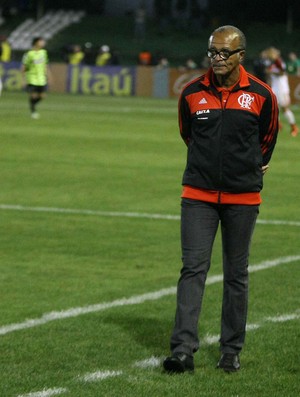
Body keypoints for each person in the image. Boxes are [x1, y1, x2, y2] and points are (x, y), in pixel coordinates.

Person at [163, 25, 278, 374]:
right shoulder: (192, 93)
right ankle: (183, 349)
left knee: (236, 274)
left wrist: (244, 171)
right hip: (197, 195)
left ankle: (230, 350)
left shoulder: (261, 94)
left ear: (241, 55)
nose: (217, 58)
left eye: (224, 53)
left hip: (242, 197)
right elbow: (189, 135)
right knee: (192, 269)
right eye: (213, 51)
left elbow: (267, 139)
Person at [266, 47, 298, 137]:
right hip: (275, 88)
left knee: (285, 108)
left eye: (271, 53)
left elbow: (282, 72)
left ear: (275, 54)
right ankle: (278, 126)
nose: (269, 55)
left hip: (282, 89)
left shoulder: (278, 61)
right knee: (274, 108)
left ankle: (294, 127)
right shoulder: (272, 63)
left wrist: (271, 73)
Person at [21, 37, 49, 119]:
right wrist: (23, 79)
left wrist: (47, 75)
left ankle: (33, 105)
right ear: (36, 42)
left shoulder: (44, 52)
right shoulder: (29, 54)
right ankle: (33, 111)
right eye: (41, 41)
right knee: (33, 96)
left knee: (42, 96)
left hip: (41, 79)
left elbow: (45, 65)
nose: (43, 43)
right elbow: (24, 67)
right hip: (31, 77)